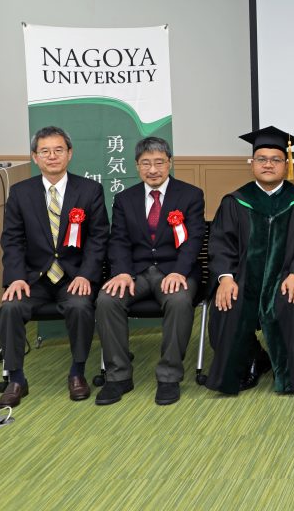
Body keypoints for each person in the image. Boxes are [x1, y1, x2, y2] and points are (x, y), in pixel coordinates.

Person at [205, 126, 294, 396]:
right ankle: (248, 361)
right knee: (228, 304)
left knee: (291, 302)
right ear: (252, 164)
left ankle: (289, 370)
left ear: (286, 164)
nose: (268, 164)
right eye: (261, 159)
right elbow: (221, 245)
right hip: (243, 279)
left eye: (275, 159)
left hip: (286, 278)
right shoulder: (235, 202)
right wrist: (225, 278)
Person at [0, 125, 109, 408]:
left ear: (69, 154)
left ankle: (77, 372)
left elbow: (98, 238)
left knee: (80, 306)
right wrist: (16, 279)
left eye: (59, 150)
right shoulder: (21, 193)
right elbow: (12, 240)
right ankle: (17, 378)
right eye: (44, 151)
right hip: (34, 279)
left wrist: (85, 275)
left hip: (74, 277)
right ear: (35, 157)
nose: (52, 156)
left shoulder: (90, 190)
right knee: (9, 307)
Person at [94, 137, 206, 406]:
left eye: (159, 162)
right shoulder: (124, 198)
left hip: (175, 270)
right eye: (146, 163)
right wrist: (121, 272)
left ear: (169, 163)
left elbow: (194, 239)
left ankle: (168, 377)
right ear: (136, 166)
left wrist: (180, 272)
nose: (153, 169)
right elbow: (118, 239)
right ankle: (118, 376)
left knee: (179, 301)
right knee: (107, 300)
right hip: (136, 272)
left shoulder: (190, 195)